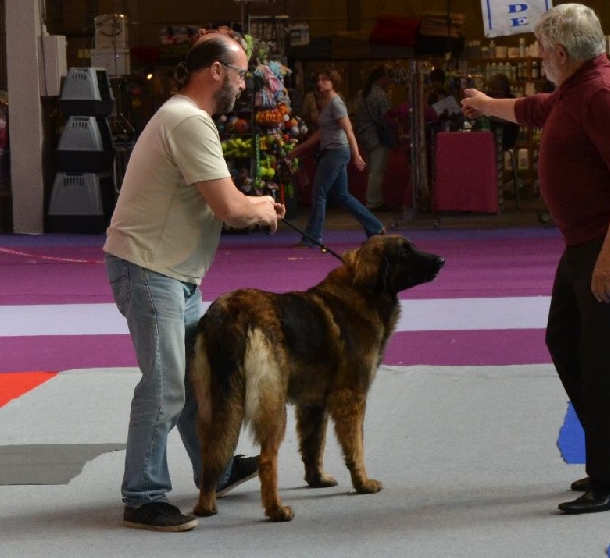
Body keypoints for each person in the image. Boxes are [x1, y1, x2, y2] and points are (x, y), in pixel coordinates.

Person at [462, 3, 610, 515]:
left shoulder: (603, 93)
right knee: (567, 340)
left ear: (561, 52)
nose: (539, 59)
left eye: (541, 51)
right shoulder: (579, 88)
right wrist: (486, 104)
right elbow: (533, 109)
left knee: (606, 358)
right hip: (588, 239)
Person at [103, 30, 286, 532]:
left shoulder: (184, 117)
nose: (246, 84)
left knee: (189, 381)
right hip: (150, 270)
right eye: (242, 73)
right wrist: (263, 207)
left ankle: (218, 470)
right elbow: (228, 206)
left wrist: (253, 205)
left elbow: (221, 197)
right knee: (165, 386)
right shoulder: (187, 121)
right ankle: (143, 497)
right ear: (216, 72)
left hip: (170, 271)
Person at [288, 67, 385, 247]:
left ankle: (313, 237)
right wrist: (300, 148)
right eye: (319, 80)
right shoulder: (327, 103)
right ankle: (375, 227)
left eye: (325, 80)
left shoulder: (336, 103)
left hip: (337, 152)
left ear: (334, 83)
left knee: (319, 194)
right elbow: (321, 133)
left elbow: (348, 130)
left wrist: (356, 155)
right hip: (336, 151)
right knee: (343, 195)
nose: (320, 83)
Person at [352, 66, 394, 211]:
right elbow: (386, 117)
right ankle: (373, 202)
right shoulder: (380, 95)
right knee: (377, 170)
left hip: (364, 135)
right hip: (377, 135)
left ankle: (374, 200)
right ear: (382, 78)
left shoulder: (361, 94)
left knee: (372, 170)